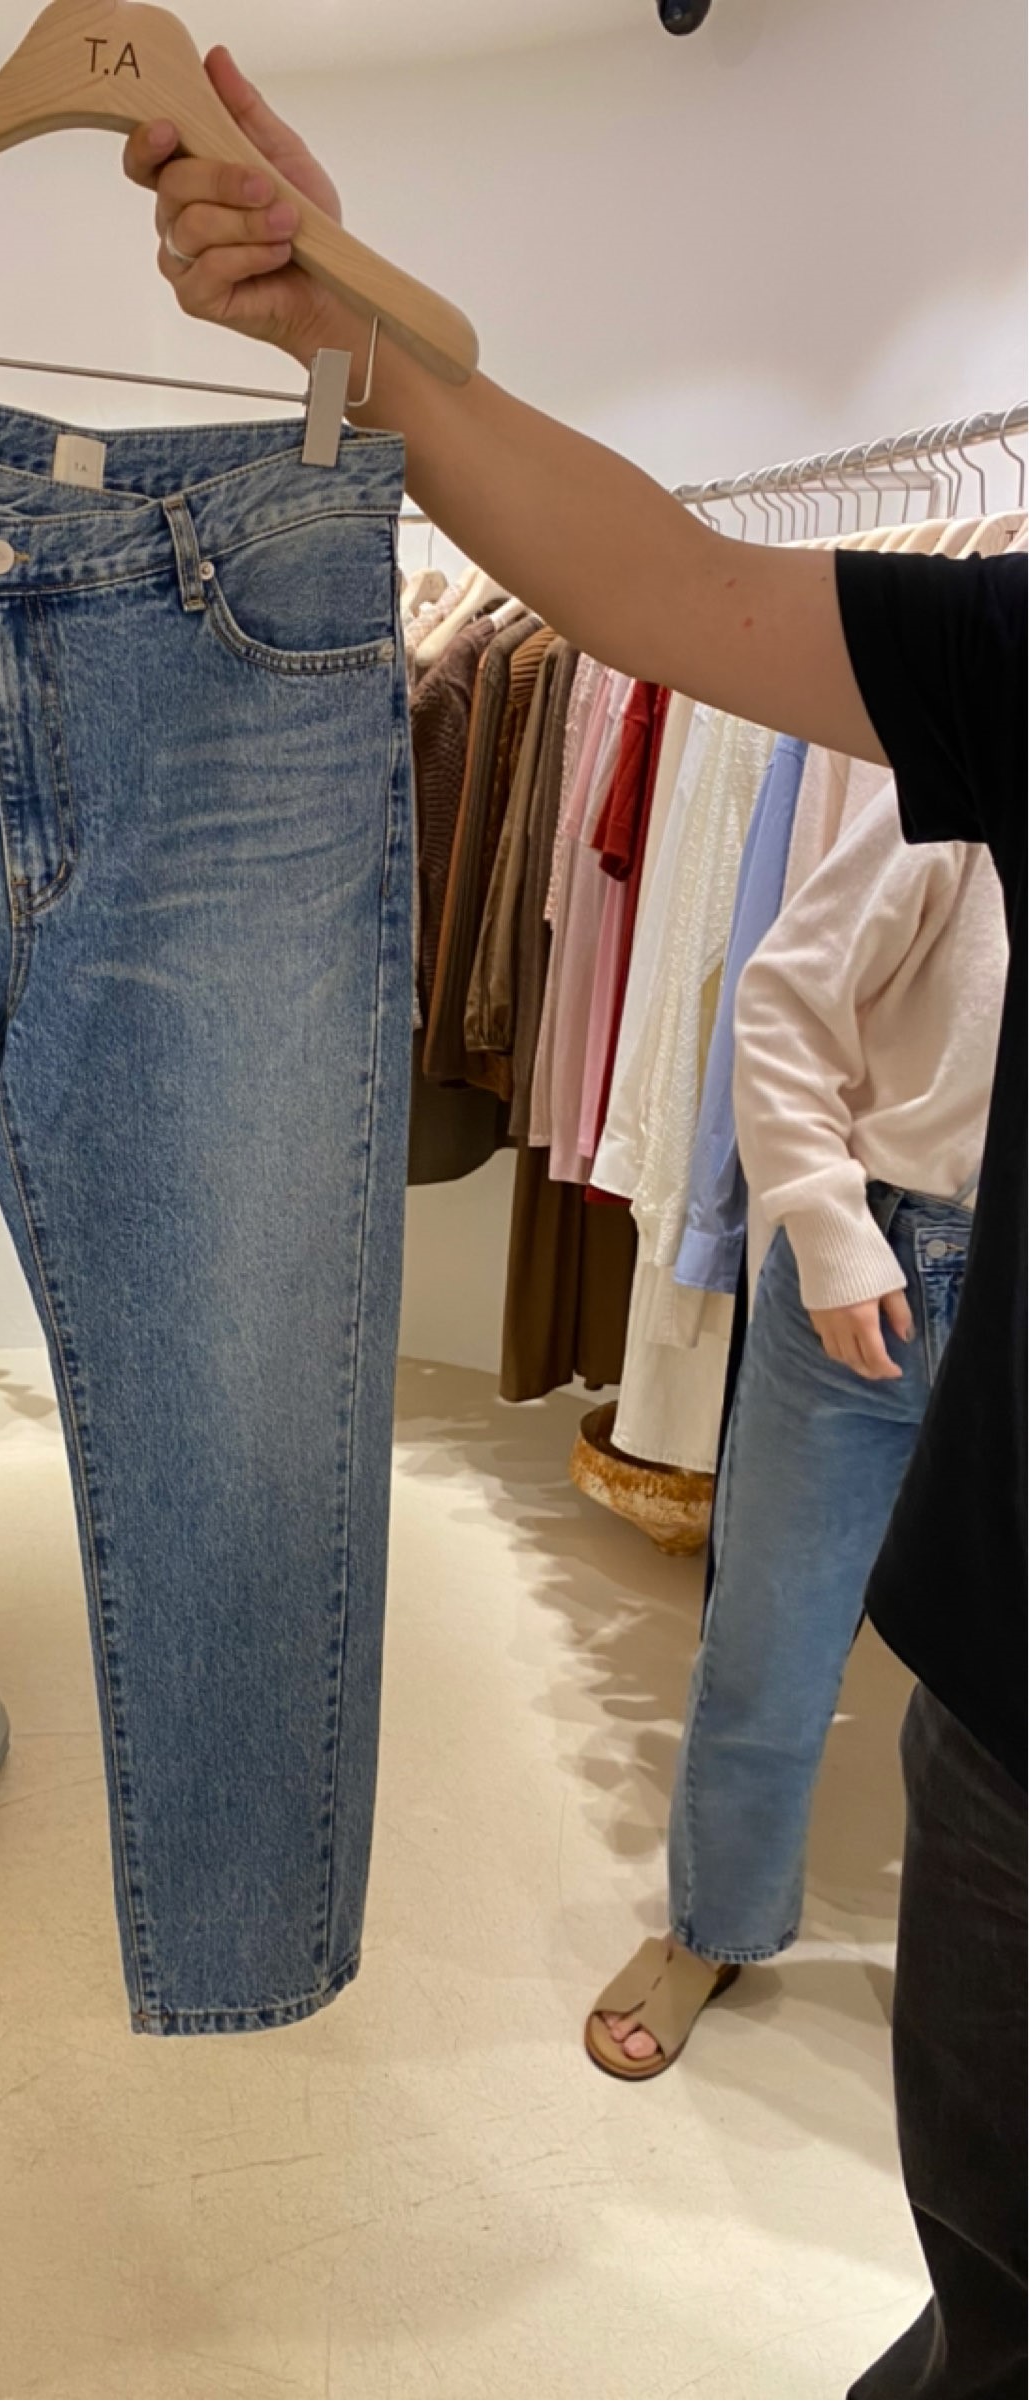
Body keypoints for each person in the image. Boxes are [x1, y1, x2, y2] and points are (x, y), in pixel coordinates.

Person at [121, 54, 1024, 2397]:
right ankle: (714, 1921)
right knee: (991, 2274)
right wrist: (353, 336)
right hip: (974, 1529)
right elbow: (668, 594)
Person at [585, 785, 1005, 2076]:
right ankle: (709, 1928)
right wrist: (825, 1226)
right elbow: (780, 996)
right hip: (880, 1258)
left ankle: (985, 1986)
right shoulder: (986, 753)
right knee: (769, 1641)